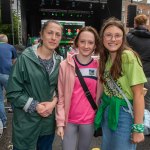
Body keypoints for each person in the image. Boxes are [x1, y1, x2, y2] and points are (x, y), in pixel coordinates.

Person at [6, 20, 63, 150]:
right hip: (26, 124)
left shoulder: (60, 62)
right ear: (41, 35)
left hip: (47, 124)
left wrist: (53, 103)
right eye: (50, 33)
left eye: (57, 34)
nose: (53, 38)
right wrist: (35, 106)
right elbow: (12, 92)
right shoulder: (25, 59)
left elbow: (61, 90)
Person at [95, 17, 147, 150]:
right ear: (103, 37)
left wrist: (138, 128)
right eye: (109, 35)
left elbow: (139, 94)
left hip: (124, 114)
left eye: (117, 35)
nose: (113, 39)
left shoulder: (128, 56)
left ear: (123, 38)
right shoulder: (105, 59)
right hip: (108, 110)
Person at [56, 26, 103, 150]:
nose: (86, 46)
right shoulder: (65, 65)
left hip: (89, 120)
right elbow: (60, 96)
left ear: (95, 45)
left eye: (90, 42)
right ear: (77, 42)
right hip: (69, 120)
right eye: (82, 41)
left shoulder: (100, 66)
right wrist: (60, 123)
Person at [126, 14, 150, 113]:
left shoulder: (128, 37)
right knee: (147, 102)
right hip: (148, 75)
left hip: (131, 75)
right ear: (146, 23)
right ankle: (145, 126)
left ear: (135, 23)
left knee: (130, 100)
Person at [0, 34, 17, 128]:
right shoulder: (11, 47)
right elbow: (15, 61)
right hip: (7, 74)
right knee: (13, 95)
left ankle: (4, 123)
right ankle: (17, 119)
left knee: (0, 100)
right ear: (6, 40)